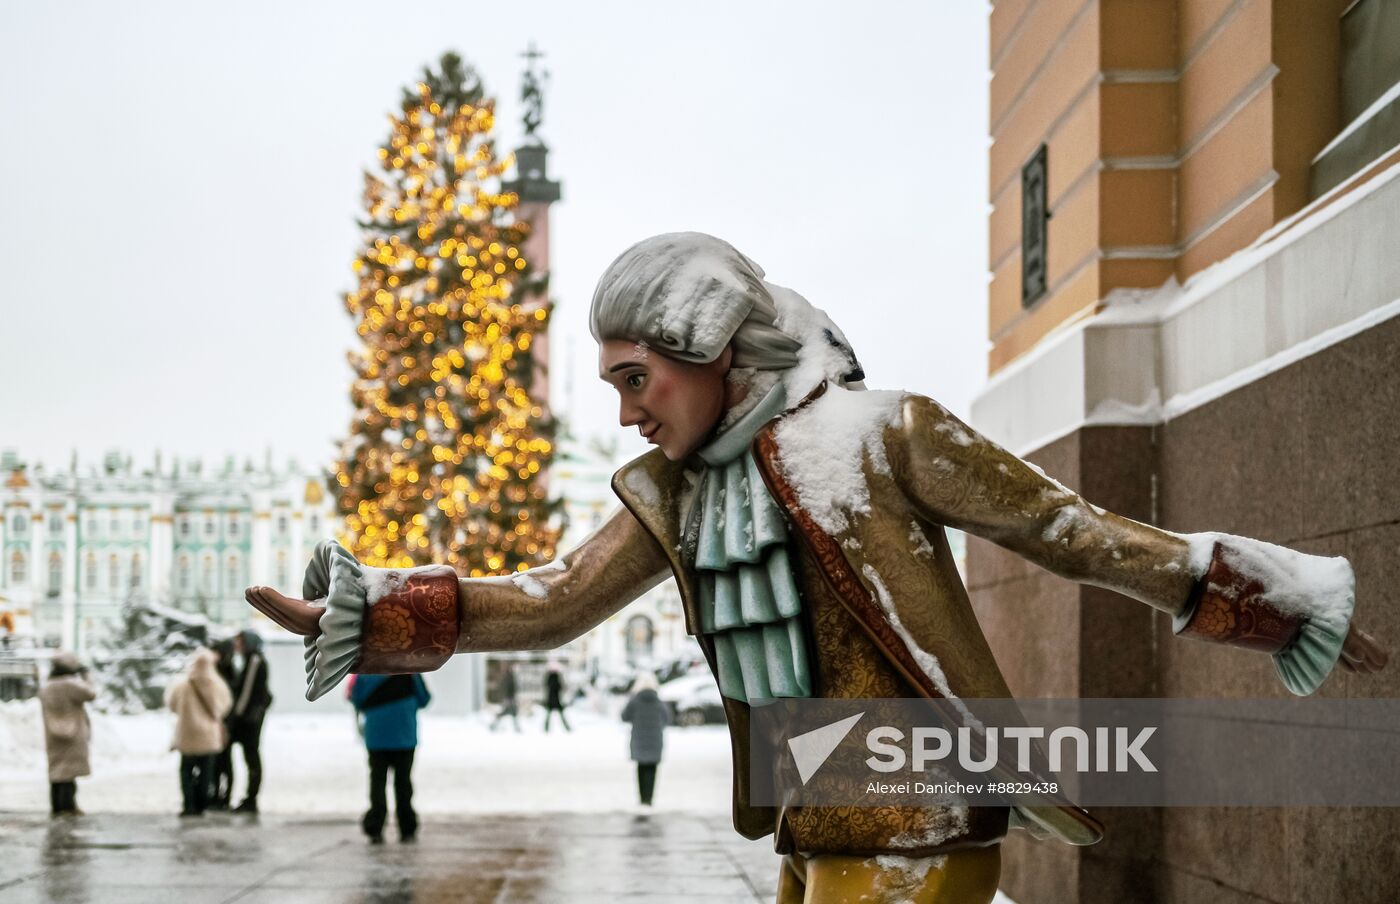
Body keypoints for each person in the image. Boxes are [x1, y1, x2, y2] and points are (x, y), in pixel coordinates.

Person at [247, 233, 1388, 904]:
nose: (625, 410)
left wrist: (1274, 605)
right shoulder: (682, 493)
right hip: (811, 826)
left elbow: (1071, 531)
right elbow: (553, 601)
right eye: (613, 386)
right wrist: (371, 611)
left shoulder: (882, 435)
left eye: (636, 378)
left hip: (916, 821)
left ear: (717, 351)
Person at [350, 673, 431, 844]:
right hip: (404, 736)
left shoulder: (367, 670)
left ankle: (375, 826)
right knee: (403, 783)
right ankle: (407, 827)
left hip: (377, 736)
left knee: (377, 782)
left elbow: (356, 699)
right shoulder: (410, 670)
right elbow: (424, 699)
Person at [165, 648, 233, 817]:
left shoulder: (181, 684)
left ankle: (189, 805)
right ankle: (201, 805)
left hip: (186, 733)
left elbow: (171, 704)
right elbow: (225, 707)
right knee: (206, 771)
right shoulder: (217, 684)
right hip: (208, 736)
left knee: (186, 771)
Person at [38, 651, 96, 817]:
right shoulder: (72, 685)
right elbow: (91, 694)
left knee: (56, 771)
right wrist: (86, 676)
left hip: (52, 733)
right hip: (74, 733)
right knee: (69, 773)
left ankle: (57, 806)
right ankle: (69, 806)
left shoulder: (47, 686)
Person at [229, 629, 272, 813]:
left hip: (250, 719)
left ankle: (251, 798)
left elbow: (247, 692)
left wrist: (236, 715)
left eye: (240, 642)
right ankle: (250, 797)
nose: (236, 646)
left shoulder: (255, 661)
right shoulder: (250, 660)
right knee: (250, 756)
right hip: (250, 717)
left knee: (251, 756)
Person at [620, 672, 671, 807]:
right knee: (652, 770)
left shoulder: (634, 701)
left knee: (641, 768)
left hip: (638, 740)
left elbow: (624, 716)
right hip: (655, 740)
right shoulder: (659, 702)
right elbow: (667, 719)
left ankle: (642, 798)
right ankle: (649, 798)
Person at [208, 637, 238, 810]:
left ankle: (224, 797)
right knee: (220, 761)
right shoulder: (223, 670)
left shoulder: (225, 671)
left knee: (224, 761)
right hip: (222, 722)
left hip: (225, 723)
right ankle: (219, 795)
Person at [489, 663, 521, 732]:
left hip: (510, 699)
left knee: (513, 714)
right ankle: (493, 726)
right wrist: (507, 699)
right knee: (507, 713)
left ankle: (517, 728)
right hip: (509, 699)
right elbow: (507, 689)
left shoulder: (511, 676)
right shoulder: (508, 677)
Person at [541, 662, 570, 733]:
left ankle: (547, 728)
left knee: (553, 715)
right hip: (554, 699)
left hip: (554, 699)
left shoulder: (552, 676)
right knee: (554, 715)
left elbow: (559, 686)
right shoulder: (553, 676)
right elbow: (560, 686)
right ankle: (547, 728)